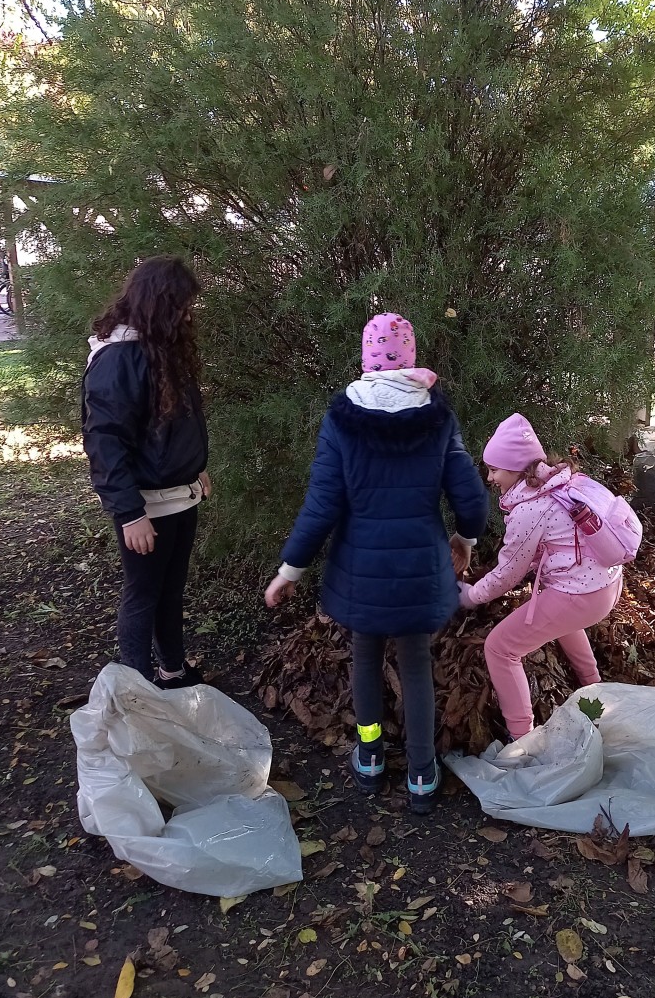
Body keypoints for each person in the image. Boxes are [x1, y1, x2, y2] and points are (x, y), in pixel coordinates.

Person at [264, 313, 489, 813]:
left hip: (360, 570)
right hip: (419, 569)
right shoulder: (436, 417)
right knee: (416, 664)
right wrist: (466, 538)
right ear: (410, 356)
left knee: (364, 658)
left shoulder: (342, 419)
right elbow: (471, 496)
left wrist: (290, 570)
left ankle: (369, 754)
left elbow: (322, 505)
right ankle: (421, 771)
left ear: (366, 359)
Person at [81, 256, 210, 687]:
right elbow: (105, 442)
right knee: (143, 596)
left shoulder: (161, 346)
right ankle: (137, 691)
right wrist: (129, 513)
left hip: (180, 495)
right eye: (182, 306)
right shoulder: (117, 359)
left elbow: (175, 423)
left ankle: (172, 671)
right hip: (146, 507)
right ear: (160, 304)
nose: (188, 315)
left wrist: (195, 470)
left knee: (170, 590)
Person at [457, 413, 624, 741]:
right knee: (562, 622)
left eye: (494, 469)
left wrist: (471, 595)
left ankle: (522, 740)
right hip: (607, 583)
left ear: (516, 468)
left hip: (580, 595)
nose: (489, 478)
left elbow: (507, 574)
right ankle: (594, 691)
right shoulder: (562, 483)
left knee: (500, 648)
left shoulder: (529, 509)